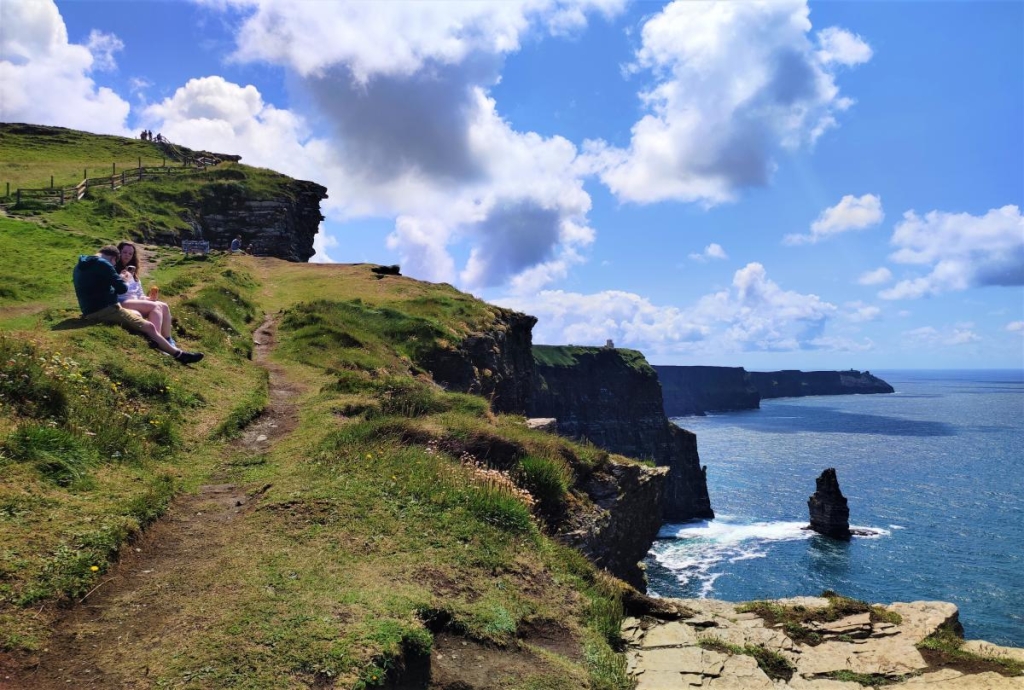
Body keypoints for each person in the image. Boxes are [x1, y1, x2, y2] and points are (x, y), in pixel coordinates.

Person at [73, 246, 202, 364]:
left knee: (142, 317)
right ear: (113, 258)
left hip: (89, 309)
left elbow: (96, 288)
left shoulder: (80, 265)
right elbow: (122, 289)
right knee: (149, 327)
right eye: (114, 263)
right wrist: (124, 279)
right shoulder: (103, 264)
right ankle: (179, 355)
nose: (113, 265)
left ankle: (166, 344)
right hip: (105, 309)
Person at [114, 241, 177, 347]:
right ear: (119, 252)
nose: (127, 256)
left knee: (164, 305)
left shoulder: (134, 275)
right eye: (124, 252)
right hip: (121, 301)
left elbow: (139, 295)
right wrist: (121, 279)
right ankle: (155, 339)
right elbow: (114, 290)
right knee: (155, 306)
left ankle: (168, 339)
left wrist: (149, 298)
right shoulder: (114, 270)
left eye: (130, 254)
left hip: (134, 301)